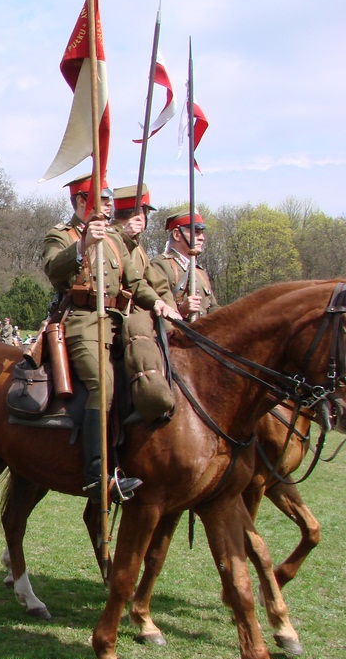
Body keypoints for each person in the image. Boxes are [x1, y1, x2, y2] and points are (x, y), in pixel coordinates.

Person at [43, 174, 180, 504]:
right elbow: (52, 268)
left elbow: (136, 281)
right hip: (81, 322)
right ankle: (95, 476)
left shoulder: (115, 240)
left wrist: (158, 303)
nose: (109, 207)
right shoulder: (61, 234)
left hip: (118, 322)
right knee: (102, 385)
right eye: (102, 201)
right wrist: (83, 245)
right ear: (80, 202)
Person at [150, 211, 218, 318]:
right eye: (195, 232)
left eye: (202, 233)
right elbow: (156, 309)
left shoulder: (200, 272)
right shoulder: (160, 265)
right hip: (176, 332)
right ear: (177, 235)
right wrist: (181, 310)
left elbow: (213, 308)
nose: (201, 238)